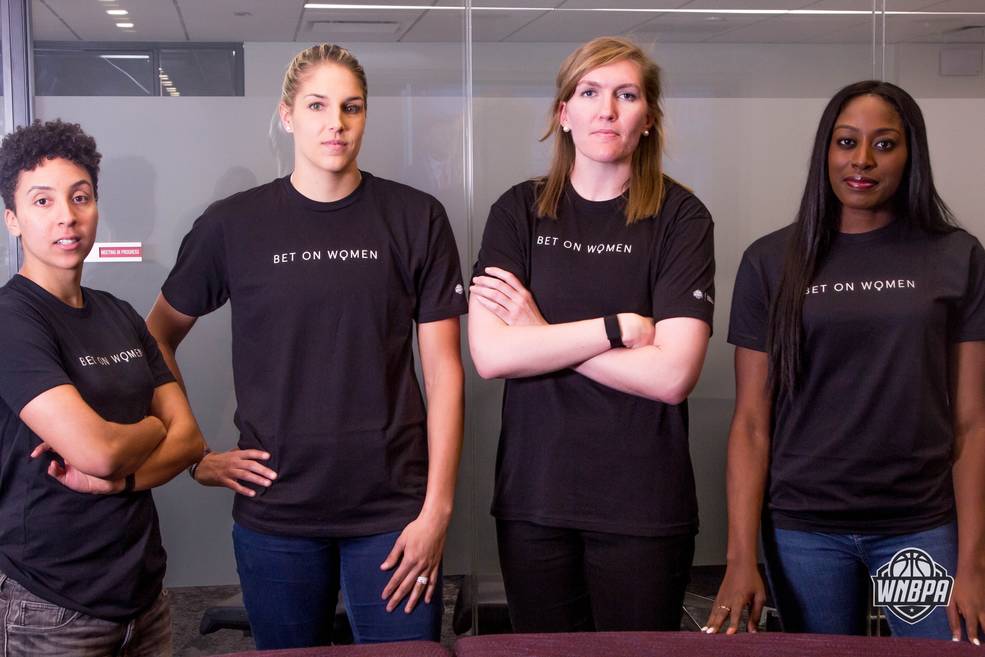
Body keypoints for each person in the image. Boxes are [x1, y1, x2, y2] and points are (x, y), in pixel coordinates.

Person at [146, 44, 467, 649]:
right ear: (288, 115)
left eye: (352, 107)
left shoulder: (415, 217)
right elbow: (155, 338)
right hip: (277, 513)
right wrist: (194, 453)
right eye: (317, 105)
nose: (336, 123)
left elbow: (445, 374)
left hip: (393, 512)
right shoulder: (233, 224)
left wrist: (436, 512)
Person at [705, 80, 985, 643]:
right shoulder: (770, 261)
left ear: (911, 155)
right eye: (845, 142)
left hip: (917, 527)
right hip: (805, 531)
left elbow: (972, 421)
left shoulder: (956, 256)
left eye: (884, 144)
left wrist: (974, 563)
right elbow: (753, 424)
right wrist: (739, 558)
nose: (861, 160)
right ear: (825, 152)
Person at [468, 36, 715, 633]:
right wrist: (615, 330)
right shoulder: (518, 212)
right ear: (564, 113)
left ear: (647, 118)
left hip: (643, 505)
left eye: (626, 95)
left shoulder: (682, 218)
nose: (607, 110)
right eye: (589, 92)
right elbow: (492, 354)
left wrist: (544, 334)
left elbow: (672, 376)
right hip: (535, 498)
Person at [0, 119, 205, 655]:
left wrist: (118, 477)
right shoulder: (11, 321)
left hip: (143, 594)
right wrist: (154, 425)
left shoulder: (119, 314)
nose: (66, 215)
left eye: (80, 196)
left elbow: (191, 443)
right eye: (41, 202)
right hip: (50, 604)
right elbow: (97, 450)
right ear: (12, 220)